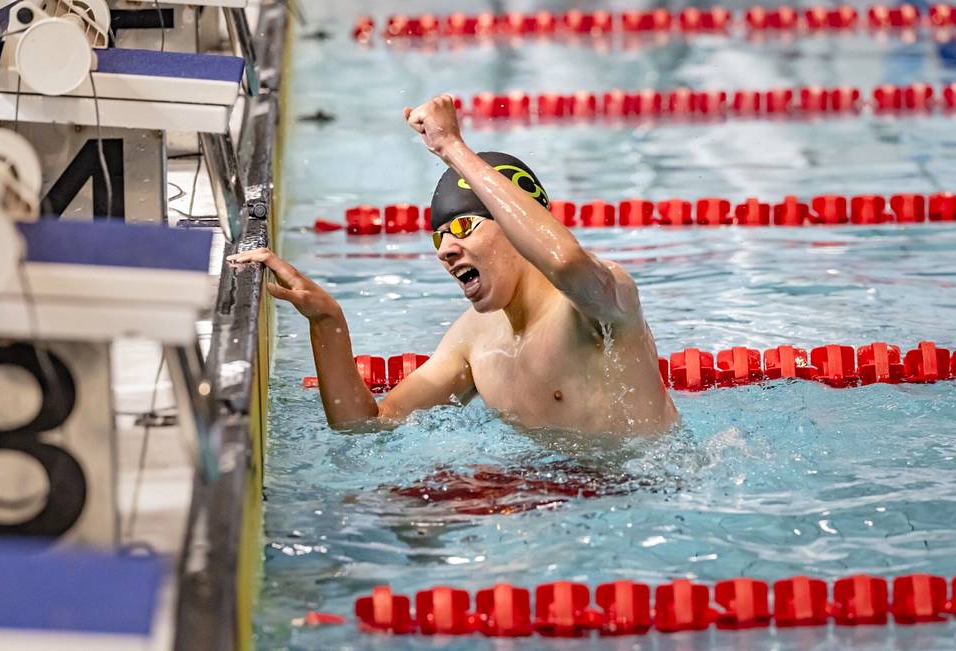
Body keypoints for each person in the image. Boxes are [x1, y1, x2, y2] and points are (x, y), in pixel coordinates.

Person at [227, 94, 678, 435]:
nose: (445, 251)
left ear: (512, 221)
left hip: (647, 498)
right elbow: (365, 425)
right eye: (439, 237)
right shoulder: (474, 339)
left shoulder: (600, 302)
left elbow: (563, 261)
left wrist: (452, 146)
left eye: (463, 227)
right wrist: (327, 321)